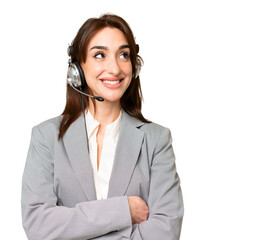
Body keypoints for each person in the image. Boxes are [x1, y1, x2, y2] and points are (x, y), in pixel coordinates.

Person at [21, 14, 183, 240]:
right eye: (100, 55)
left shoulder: (157, 140)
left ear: (133, 66)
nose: (115, 68)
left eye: (123, 55)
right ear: (77, 68)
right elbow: (39, 226)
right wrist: (124, 210)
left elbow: (166, 230)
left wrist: (74, 227)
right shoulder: (45, 137)